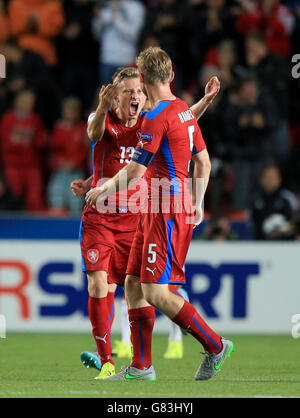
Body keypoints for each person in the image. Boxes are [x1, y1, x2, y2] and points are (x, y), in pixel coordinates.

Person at [85, 46, 233, 382]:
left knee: (155, 291)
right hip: (163, 208)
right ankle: (141, 366)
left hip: (165, 210)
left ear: (145, 78)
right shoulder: (181, 110)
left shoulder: (154, 118)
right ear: (171, 76)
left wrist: (103, 189)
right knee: (133, 284)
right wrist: (196, 202)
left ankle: (214, 345)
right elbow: (203, 161)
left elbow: (136, 171)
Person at [0, 89, 47, 211]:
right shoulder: (7, 119)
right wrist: (23, 144)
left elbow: (40, 142)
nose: (28, 104)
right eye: (25, 100)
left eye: (31, 101)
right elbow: (5, 144)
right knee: (13, 197)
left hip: (31, 165)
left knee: (35, 199)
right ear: (17, 101)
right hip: (12, 165)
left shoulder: (35, 119)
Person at [47, 97, 89, 214]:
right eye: (68, 109)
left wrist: (75, 163)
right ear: (63, 111)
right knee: (56, 200)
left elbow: (84, 151)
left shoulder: (83, 128)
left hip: (76, 172)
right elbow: (54, 150)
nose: (71, 112)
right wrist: (60, 163)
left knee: (76, 204)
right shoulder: (58, 128)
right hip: (60, 171)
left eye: (74, 110)